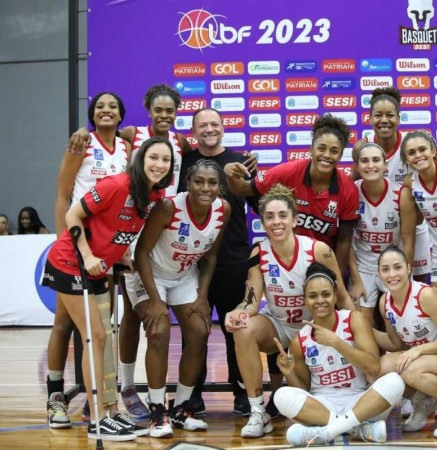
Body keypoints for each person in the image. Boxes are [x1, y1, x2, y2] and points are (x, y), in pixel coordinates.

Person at [69, 84, 194, 419]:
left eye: (170, 111)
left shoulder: (181, 142)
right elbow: (101, 133)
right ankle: (123, 387)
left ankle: (122, 394)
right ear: (148, 110)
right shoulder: (131, 134)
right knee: (128, 315)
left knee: (129, 315)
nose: (165, 116)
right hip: (127, 234)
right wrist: (83, 131)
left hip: (156, 228)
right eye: (159, 110)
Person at [40, 136, 173, 441]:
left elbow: (120, 228)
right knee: (95, 337)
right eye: (154, 157)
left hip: (100, 267)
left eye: (165, 160)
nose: (159, 165)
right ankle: (96, 419)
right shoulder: (116, 185)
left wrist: (122, 256)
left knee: (102, 338)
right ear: (141, 159)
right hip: (70, 263)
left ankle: (109, 413)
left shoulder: (154, 194)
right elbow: (74, 214)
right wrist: (87, 255)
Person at [224, 184, 351, 439]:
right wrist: (238, 312)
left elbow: (342, 298)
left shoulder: (317, 250)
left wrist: (357, 332)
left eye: (283, 215)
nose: (276, 222)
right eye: (269, 217)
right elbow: (250, 299)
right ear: (262, 222)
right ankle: (258, 411)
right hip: (280, 326)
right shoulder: (259, 252)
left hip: (313, 329)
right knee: (243, 328)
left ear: (295, 219)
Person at [129, 159, 231, 438]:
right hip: (149, 274)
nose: (205, 188)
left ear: (219, 187)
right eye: (199, 181)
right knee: (159, 330)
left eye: (212, 183)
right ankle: (157, 409)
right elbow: (140, 254)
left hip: (184, 276)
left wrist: (202, 296)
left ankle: (181, 407)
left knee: (199, 330)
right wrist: (155, 300)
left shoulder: (223, 210)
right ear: (188, 183)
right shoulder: (168, 208)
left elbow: (210, 257)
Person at [47, 92, 131, 429]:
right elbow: (61, 196)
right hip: (75, 248)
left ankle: (100, 405)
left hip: (105, 253)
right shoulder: (82, 144)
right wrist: (63, 245)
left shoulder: (127, 148)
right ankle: (55, 398)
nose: (106, 110)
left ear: (121, 115)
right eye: (100, 106)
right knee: (64, 324)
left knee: (102, 330)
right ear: (91, 115)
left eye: (112, 106)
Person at [177, 107, 258, 417]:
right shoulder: (184, 163)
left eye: (214, 124)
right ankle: (191, 392)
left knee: (235, 329)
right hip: (192, 262)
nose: (209, 129)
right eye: (202, 125)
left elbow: (259, 201)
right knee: (194, 332)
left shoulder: (240, 162)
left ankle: (241, 389)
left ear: (223, 128)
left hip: (234, 259)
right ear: (194, 131)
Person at [273, 262, 405, 446]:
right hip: (324, 405)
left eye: (326, 294)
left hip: (361, 403)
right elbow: (304, 390)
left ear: (335, 296)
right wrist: (288, 373)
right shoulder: (299, 340)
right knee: (281, 396)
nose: (320, 300)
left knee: (395, 381)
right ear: (305, 300)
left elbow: (373, 368)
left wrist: (336, 342)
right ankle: (357, 429)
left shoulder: (354, 319)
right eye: (313, 296)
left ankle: (327, 432)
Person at [225, 114, 359, 277]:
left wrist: (334, 278)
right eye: (321, 148)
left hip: (323, 263)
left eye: (334, 151)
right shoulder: (287, 173)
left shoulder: (348, 189)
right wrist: (230, 175)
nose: (327, 155)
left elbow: (344, 241)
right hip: (286, 261)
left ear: (341, 154)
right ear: (311, 149)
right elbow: (241, 189)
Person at [376, 245, 437, 438]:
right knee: (380, 367)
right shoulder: (384, 303)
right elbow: (396, 344)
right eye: (385, 269)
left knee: (410, 370)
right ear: (378, 273)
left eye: (397, 267)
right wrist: (362, 330)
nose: (392, 274)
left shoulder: (426, 295)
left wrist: (418, 350)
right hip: (427, 359)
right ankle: (425, 401)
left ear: (409, 268)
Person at [353, 87, 431, 283]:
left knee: (416, 283)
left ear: (399, 117)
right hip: (374, 226)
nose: (384, 120)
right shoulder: (362, 146)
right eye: (378, 115)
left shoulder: (411, 146)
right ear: (370, 118)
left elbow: (428, 182)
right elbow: (353, 185)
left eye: (390, 115)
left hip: (411, 225)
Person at [348, 142, 416, 321]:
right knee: (361, 323)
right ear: (357, 167)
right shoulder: (351, 192)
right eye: (364, 161)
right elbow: (345, 241)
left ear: (385, 165)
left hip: (392, 266)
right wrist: (355, 280)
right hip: (363, 268)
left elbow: (408, 240)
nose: (370, 165)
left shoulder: (401, 195)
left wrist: (405, 275)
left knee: (400, 321)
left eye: (376, 160)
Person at [401, 131, 437, 306]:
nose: (418, 155)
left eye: (422, 149)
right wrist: (407, 277)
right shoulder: (410, 184)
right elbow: (411, 230)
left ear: (433, 151)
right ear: (406, 160)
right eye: (411, 153)